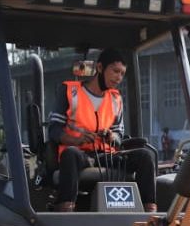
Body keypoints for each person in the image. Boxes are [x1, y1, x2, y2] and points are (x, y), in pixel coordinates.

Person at [48, 48, 157, 212]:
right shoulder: (70, 92)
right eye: (115, 71)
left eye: (122, 73)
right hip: (80, 155)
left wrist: (113, 136)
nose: (119, 78)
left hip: (106, 156)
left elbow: (119, 135)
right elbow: (54, 131)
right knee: (70, 154)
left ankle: (149, 212)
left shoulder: (115, 99)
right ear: (100, 68)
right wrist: (77, 140)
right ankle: (65, 209)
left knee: (145, 156)